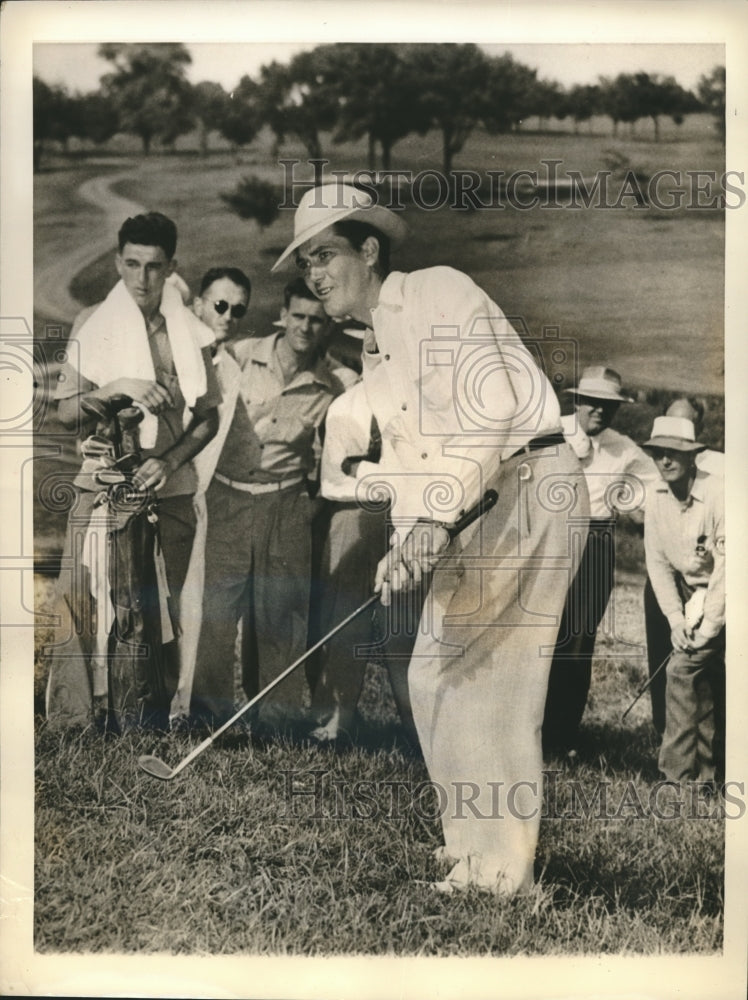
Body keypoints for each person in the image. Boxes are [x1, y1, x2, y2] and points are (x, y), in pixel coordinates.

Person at [272, 181, 590, 895]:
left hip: (532, 480)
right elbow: (420, 459)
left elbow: (491, 409)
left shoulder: (437, 292)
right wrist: (408, 540)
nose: (314, 274)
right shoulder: (377, 347)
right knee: (431, 673)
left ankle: (503, 872)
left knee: (492, 682)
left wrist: (438, 521)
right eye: (305, 264)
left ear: (370, 249)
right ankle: (469, 847)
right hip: (482, 498)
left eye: (325, 254)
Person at [47, 212, 221, 729]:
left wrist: (169, 461)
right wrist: (115, 384)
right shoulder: (94, 322)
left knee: (159, 607)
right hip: (101, 482)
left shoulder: (189, 332)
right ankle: (73, 717)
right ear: (118, 261)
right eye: (131, 264)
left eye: (154, 266)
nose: (142, 280)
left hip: (164, 487)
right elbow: (65, 412)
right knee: (79, 597)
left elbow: (208, 417)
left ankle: (147, 713)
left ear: (172, 266)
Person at [190, 278, 342, 734]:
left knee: (281, 615)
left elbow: (327, 460)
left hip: (285, 505)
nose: (306, 327)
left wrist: (304, 509)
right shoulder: (237, 356)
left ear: (326, 326)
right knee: (216, 613)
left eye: (316, 320)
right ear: (283, 315)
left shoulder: (330, 386)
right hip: (227, 497)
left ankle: (276, 722)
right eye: (298, 316)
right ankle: (207, 717)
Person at [542, 365, 658, 755]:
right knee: (534, 635)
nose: (600, 411)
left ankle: (558, 739)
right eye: (592, 402)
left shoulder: (624, 448)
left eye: (609, 405)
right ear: (577, 400)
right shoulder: (548, 430)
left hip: (595, 541)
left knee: (576, 643)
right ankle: (521, 731)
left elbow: (658, 489)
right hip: (545, 539)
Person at [169, 266, 252, 724]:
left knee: (189, 608)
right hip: (156, 490)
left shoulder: (232, 369)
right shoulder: (173, 347)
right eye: (219, 305)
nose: (228, 316)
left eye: (238, 310)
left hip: (194, 501)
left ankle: (180, 708)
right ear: (199, 304)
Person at [641, 416, 725, 784]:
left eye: (674, 453)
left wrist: (709, 626)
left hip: (729, 590)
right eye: (659, 453)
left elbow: (730, 569)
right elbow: (657, 564)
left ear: (693, 457)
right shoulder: (656, 498)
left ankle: (675, 777)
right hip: (692, 594)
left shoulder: (720, 495)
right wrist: (676, 620)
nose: (665, 461)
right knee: (698, 679)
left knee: (681, 671)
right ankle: (704, 774)